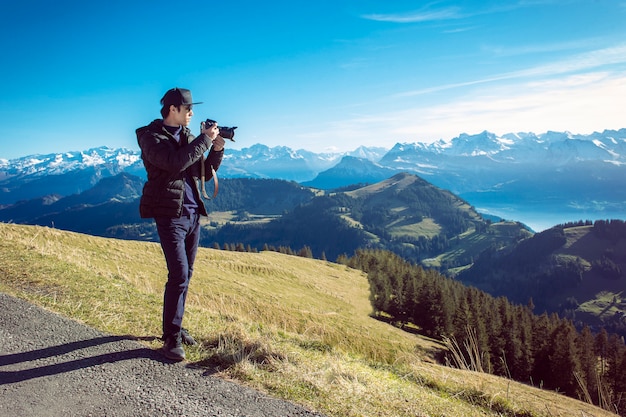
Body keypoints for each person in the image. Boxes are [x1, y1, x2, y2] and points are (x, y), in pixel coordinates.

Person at [136, 87, 226, 361]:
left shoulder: (188, 137)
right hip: (169, 215)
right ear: (173, 109)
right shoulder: (150, 137)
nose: (192, 113)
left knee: (186, 275)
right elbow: (175, 163)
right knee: (178, 274)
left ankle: (176, 327)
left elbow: (204, 174)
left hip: (192, 214)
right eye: (188, 108)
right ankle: (171, 338)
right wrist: (203, 140)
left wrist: (217, 149)